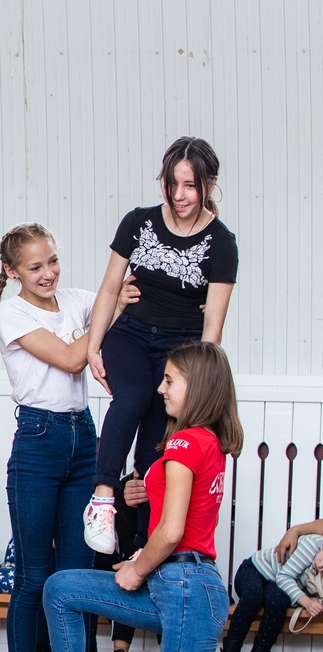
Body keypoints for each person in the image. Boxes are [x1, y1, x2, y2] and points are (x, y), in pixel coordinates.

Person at [14, 342, 323, 652]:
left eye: (169, 380)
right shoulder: (207, 441)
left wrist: (138, 568)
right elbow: (182, 523)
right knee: (62, 588)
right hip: (178, 585)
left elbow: (173, 530)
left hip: (185, 589)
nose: (160, 389)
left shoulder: (184, 445)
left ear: (197, 387)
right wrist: (144, 557)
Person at [0, 223, 123, 652]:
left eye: (53, 262)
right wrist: (110, 312)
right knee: (33, 577)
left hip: (83, 440)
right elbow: (70, 359)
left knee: (77, 580)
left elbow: (116, 292)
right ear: (12, 271)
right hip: (38, 442)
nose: (48, 274)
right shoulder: (11, 313)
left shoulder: (76, 300)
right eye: (35, 267)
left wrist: (120, 299)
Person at [83, 138, 237, 555]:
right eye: (172, 184)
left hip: (178, 349)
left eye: (190, 186)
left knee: (156, 446)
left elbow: (213, 326)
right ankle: (102, 500)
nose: (179, 195)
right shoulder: (139, 222)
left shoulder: (222, 243)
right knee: (133, 394)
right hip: (130, 334)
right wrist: (93, 346)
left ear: (209, 185)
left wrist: (196, 382)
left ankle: (142, 546)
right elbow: (109, 287)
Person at [220, 532, 323, 652]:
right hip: (255, 569)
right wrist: (307, 602)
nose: (320, 565)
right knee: (253, 596)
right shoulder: (312, 545)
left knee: (279, 602)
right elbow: (284, 577)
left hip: (275, 584)